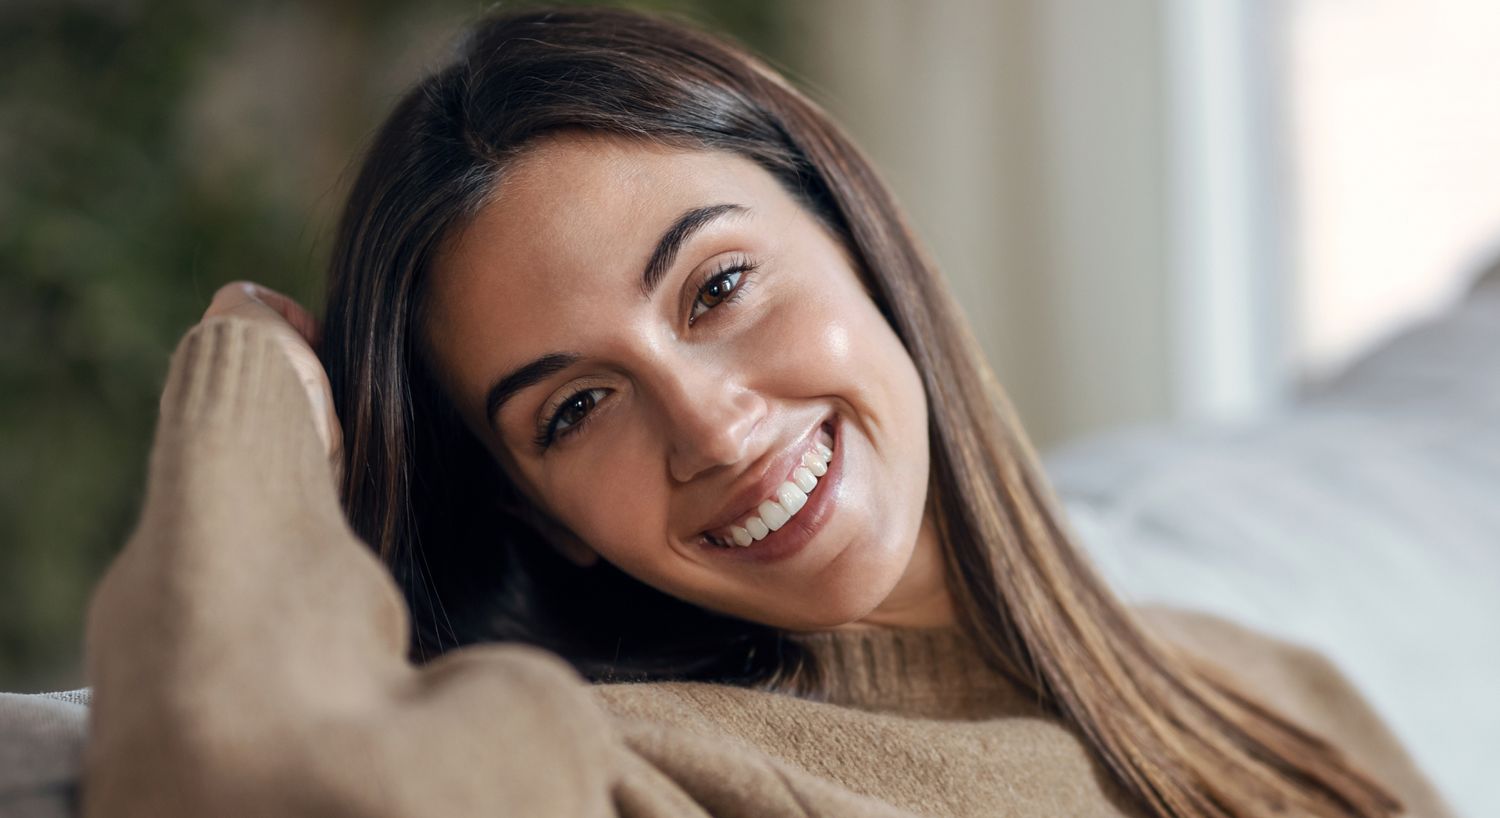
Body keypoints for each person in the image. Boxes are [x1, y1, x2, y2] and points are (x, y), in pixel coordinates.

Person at [79, 6, 1450, 818]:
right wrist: (249, 379)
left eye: (718, 284)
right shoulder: (645, 763)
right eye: (575, 410)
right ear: (538, 517)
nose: (716, 429)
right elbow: (244, 776)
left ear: (859, 235)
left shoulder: (1256, 692)